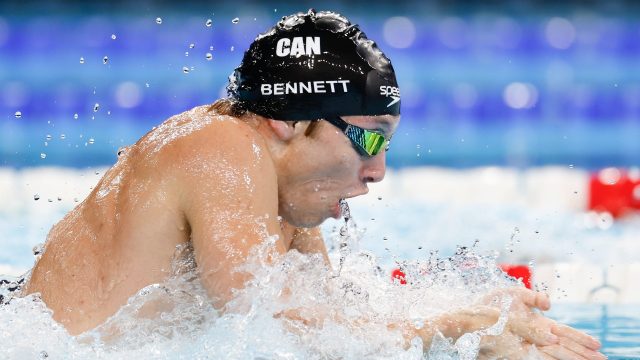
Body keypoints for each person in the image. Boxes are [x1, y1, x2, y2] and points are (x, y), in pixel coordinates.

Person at [21, 9, 604, 359]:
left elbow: (330, 326)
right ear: (290, 120)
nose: (377, 172)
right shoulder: (222, 148)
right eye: (369, 138)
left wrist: (487, 335)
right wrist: (459, 325)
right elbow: (271, 327)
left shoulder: (279, 194)